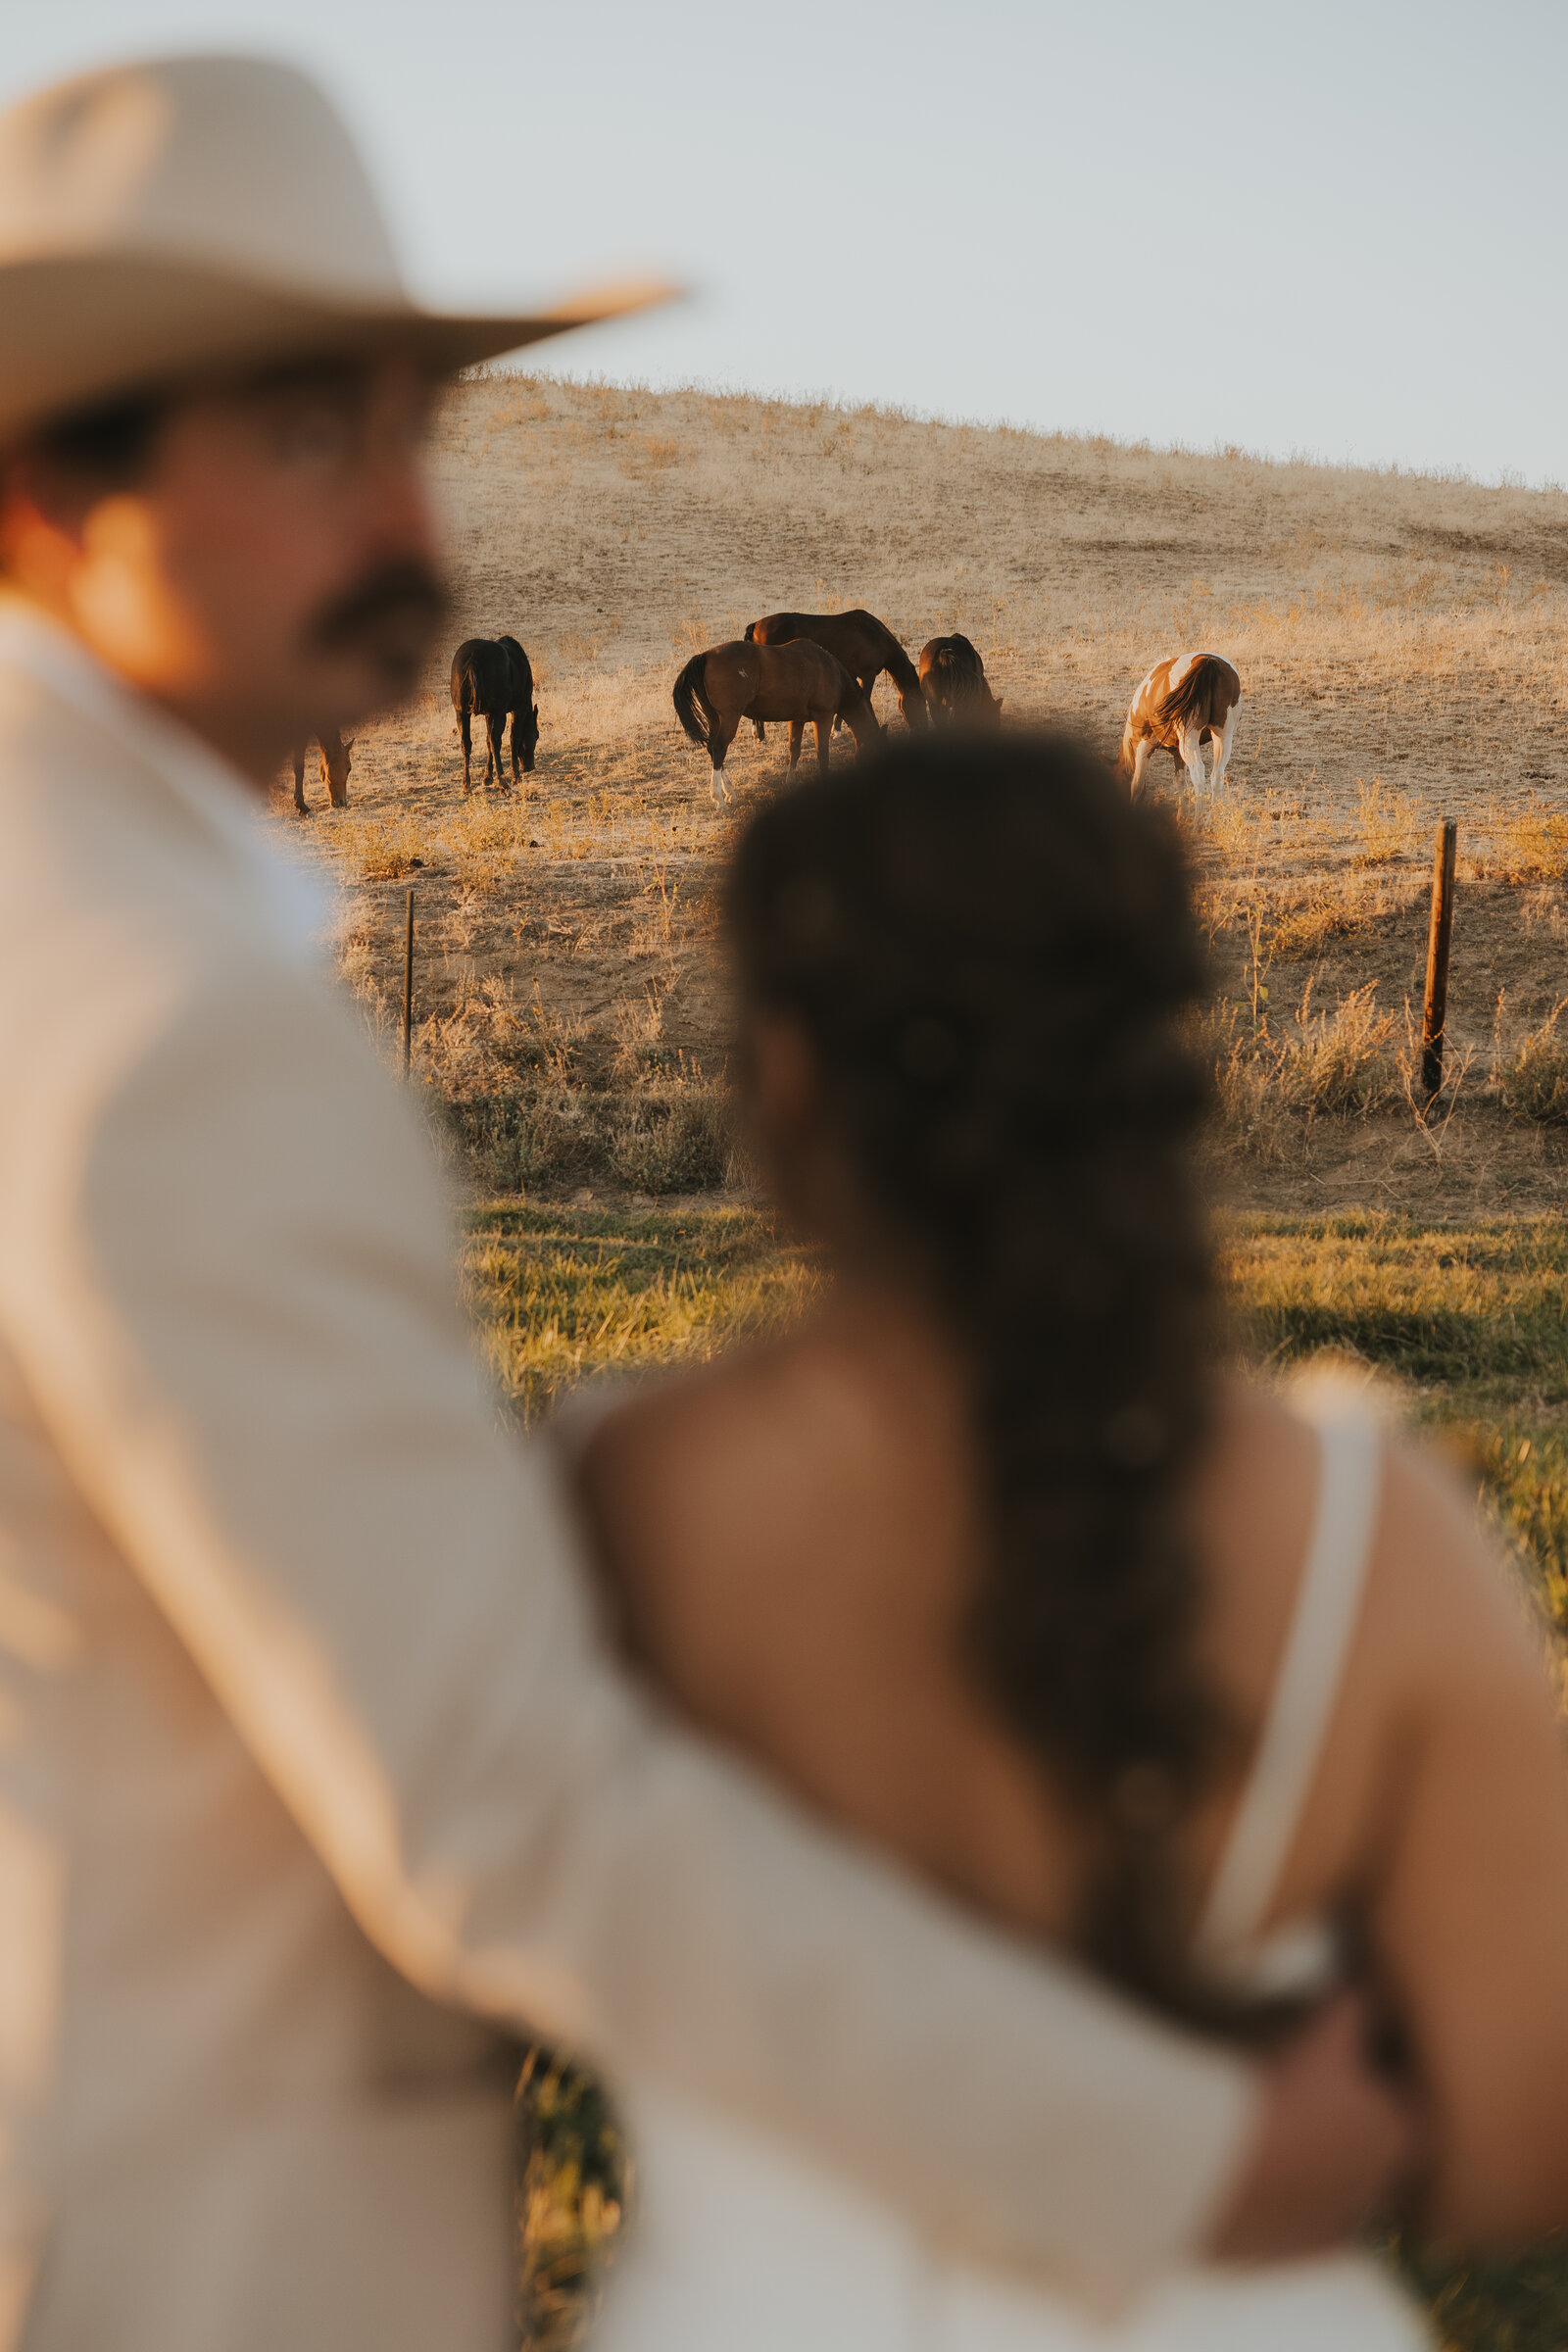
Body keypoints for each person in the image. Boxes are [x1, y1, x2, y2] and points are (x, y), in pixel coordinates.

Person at [0, 51, 1416, 2352]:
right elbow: (493, 1815)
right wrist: (1174, 2147)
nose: (405, 521)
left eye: (405, 425)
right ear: (46, 499)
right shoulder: (163, 1031)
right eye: (302, 436)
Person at [574, 732, 1568, 2352]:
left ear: (790, 1074)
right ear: (1161, 1064)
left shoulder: (624, 1489)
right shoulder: (1369, 1534)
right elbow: (1521, 2147)